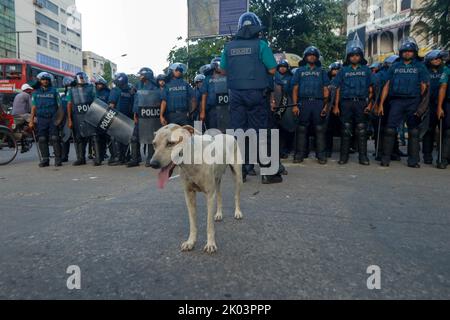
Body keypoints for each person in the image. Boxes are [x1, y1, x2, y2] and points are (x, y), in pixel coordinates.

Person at [220, 12, 282, 184]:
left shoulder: (229, 47)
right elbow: (272, 69)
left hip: (236, 95)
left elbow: (223, 70)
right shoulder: (261, 45)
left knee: (238, 133)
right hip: (256, 94)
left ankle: (242, 172)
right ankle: (268, 173)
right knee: (260, 133)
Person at [377, 37, 430, 168]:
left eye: (410, 51)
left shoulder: (420, 66)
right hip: (396, 101)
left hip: (413, 101)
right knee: (389, 130)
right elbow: (387, 86)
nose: (407, 53)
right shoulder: (394, 66)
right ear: (401, 52)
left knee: (413, 131)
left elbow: (425, 86)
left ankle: (413, 160)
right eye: (405, 51)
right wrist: (381, 104)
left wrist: (421, 104)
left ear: (414, 52)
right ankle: (385, 158)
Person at [332, 40, 375, 165]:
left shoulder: (367, 70)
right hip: (346, 103)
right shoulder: (343, 70)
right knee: (345, 129)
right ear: (348, 57)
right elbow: (337, 88)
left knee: (362, 130)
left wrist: (370, 104)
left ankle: (363, 157)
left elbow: (372, 89)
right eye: (352, 55)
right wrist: (336, 106)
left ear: (361, 57)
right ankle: (343, 157)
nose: (354, 57)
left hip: (361, 103)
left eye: (357, 55)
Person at [291, 46, 330, 165]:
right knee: (302, 129)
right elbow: (295, 89)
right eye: (309, 55)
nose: (312, 57)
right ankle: (299, 154)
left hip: (318, 103)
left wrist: (325, 106)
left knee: (319, 129)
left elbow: (326, 89)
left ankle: (321, 155)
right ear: (305, 57)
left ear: (317, 58)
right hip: (303, 102)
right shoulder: (300, 71)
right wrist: (295, 105)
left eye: (314, 55)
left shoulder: (322, 71)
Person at [67, 72, 101, 166]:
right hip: (77, 117)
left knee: (94, 137)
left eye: (84, 78)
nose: (83, 79)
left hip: (90, 115)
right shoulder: (71, 90)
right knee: (79, 138)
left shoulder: (91, 88)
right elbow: (69, 104)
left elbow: (95, 101)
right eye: (81, 78)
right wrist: (69, 119)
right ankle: (81, 158)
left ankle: (97, 158)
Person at [29, 72, 63, 167]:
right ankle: (45, 159)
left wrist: (59, 119)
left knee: (55, 138)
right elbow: (33, 107)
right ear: (40, 81)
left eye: (47, 80)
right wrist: (31, 121)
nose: (45, 81)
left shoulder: (54, 91)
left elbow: (60, 106)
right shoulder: (36, 93)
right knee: (42, 139)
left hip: (53, 118)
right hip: (41, 119)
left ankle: (58, 159)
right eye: (43, 79)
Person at [128, 67, 159, 168]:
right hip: (139, 114)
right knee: (134, 137)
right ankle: (135, 159)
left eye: (141, 75)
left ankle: (150, 158)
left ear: (147, 75)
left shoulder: (155, 87)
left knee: (150, 137)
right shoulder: (138, 85)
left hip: (150, 115)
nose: (140, 77)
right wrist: (135, 113)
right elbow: (136, 100)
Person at [422, 50, 446, 165]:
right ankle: (427, 155)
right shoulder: (424, 71)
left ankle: (444, 156)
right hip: (429, 104)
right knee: (429, 130)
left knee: (444, 131)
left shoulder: (445, 70)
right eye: (434, 59)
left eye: (439, 58)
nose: (437, 60)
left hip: (443, 104)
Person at [108, 72, 135, 166]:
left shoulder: (115, 90)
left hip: (117, 117)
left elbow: (111, 105)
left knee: (116, 138)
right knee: (126, 138)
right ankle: (126, 157)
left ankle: (119, 158)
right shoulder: (130, 90)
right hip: (128, 117)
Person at [200, 57, 230, 131]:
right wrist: (203, 111)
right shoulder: (207, 79)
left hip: (226, 109)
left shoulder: (227, 77)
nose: (219, 67)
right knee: (213, 131)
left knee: (226, 131)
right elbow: (204, 96)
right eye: (217, 65)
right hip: (212, 110)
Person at [272, 59, 294, 159]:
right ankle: (276, 150)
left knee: (287, 128)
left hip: (287, 104)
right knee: (276, 128)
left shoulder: (291, 77)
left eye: (284, 66)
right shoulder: (273, 76)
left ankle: (285, 149)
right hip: (275, 104)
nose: (282, 68)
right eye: (280, 66)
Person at [92, 75, 111, 162]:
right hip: (96, 117)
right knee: (98, 138)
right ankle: (99, 156)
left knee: (108, 138)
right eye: (97, 84)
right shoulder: (94, 93)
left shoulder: (108, 93)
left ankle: (113, 155)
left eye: (100, 84)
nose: (99, 86)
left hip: (106, 117)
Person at [325, 62, 342, 157]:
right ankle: (328, 149)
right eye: (334, 69)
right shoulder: (327, 80)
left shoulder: (343, 79)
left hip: (342, 105)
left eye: (337, 69)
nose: (335, 71)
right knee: (328, 128)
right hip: (329, 106)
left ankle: (347, 149)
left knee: (345, 127)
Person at [436, 57, 450, 169]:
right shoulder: (447, 70)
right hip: (449, 103)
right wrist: (440, 106)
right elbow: (443, 88)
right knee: (448, 132)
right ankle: (443, 159)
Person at [12, 83, 33, 153]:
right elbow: (31, 107)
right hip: (22, 115)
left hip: (14, 115)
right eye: (30, 90)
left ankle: (24, 144)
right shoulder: (27, 95)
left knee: (21, 127)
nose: (31, 91)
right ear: (27, 90)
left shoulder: (18, 95)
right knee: (36, 120)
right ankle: (29, 135)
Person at [60, 76, 74, 162]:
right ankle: (64, 156)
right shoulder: (62, 97)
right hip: (65, 118)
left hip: (76, 116)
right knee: (65, 137)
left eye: (70, 86)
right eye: (67, 86)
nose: (69, 87)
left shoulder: (76, 94)